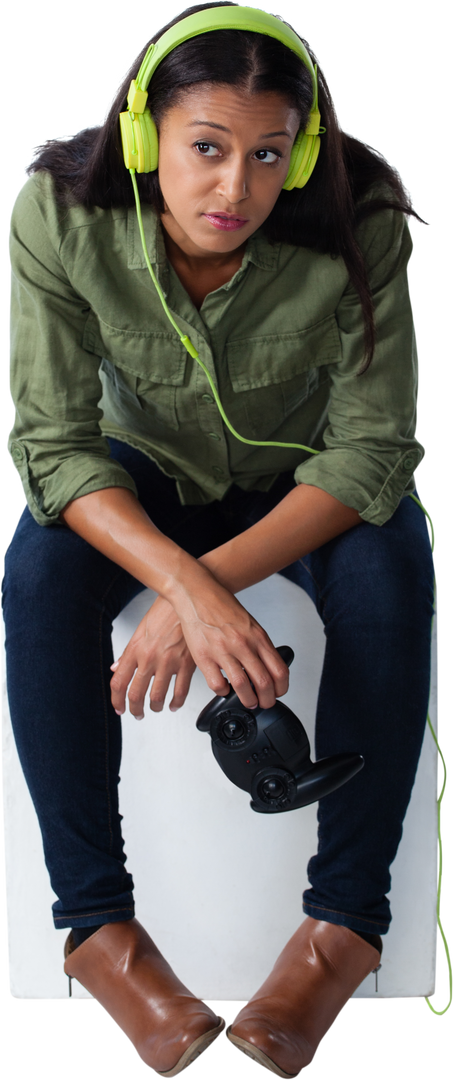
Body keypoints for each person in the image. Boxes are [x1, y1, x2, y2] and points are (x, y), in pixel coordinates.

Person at [3, 3, 435, 1077]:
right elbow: (53, 447)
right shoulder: (57, 214)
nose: (233, 188)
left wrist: (201, 591)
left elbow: (374, 448)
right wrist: (178, 587)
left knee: (393, 566)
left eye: (266, 156)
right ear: (148, 139)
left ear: (300, 161)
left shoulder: (364, 210)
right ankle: (100, 932)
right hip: (141, 478)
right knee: (38, 567)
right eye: (205, 149)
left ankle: (341, 931)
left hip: (300, 488)